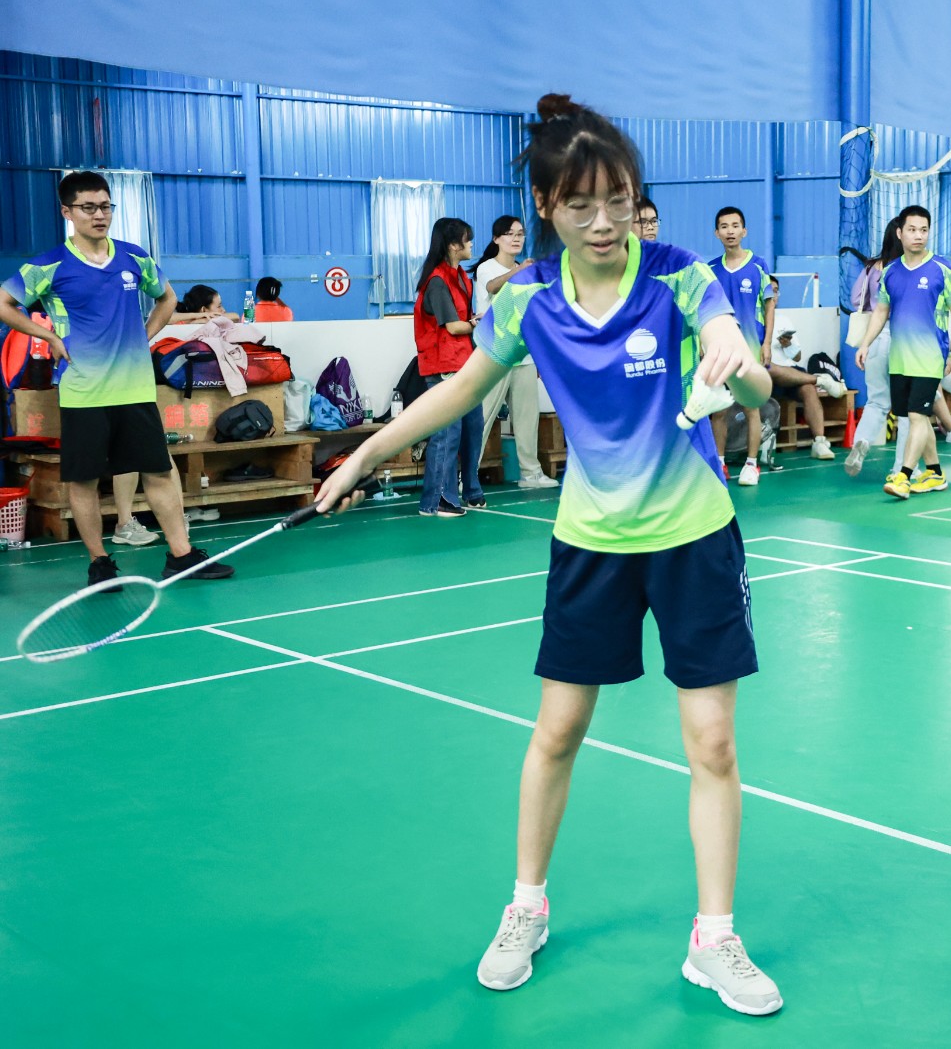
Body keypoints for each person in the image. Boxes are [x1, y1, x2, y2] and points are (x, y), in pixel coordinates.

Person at [315, 93, 781, 1015]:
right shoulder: (527, 298)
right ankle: (526, 906)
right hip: (591, 542)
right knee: (558, 731)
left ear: (637, 197)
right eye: (580, 205)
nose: (604, 223)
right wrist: (367, 453)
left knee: (713, 742)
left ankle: (714, 937)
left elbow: (748, 369)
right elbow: (459, 390)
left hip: (693, 534)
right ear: (546, 206)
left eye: (619, 201)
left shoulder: (682, 277)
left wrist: (738, 356)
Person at [0, 170, 232, 585]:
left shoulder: (133, 257)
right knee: (84, 480)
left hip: (135, 389)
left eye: (106, 206)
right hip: (83, 392)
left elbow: (167, 298)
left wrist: (145, 334)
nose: (99, 215)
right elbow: (4, 303)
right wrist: (47, 335)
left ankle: (181, 555)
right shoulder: (49, 265)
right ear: (67, 212)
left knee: (158, 471)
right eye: (88, 208)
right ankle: (100, 563)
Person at [710, 206, 834, 484]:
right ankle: (720, 463)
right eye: (724, 226)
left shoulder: (758, 266)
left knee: (751, 407)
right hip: (722, 349)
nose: (730, 231)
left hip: (750, 349)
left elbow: (769, 307)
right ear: (717, 233)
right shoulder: (711, 270)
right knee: (719, 410)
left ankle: (751, 464)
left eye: (735, 226)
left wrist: (766, 343)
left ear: (744, 231)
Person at [854, 206, 951, 499]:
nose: (919, 236)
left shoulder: (942, 269)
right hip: (899, 358)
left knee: (916, 416)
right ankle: (935, 473)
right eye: (912, 230)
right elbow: (881, 311)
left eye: (924, 230)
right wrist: (865, 343)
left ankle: (904, 476)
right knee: (917, 417)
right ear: (900, 233)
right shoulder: (890, 272)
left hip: (930, 357)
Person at [472, 215, 559, 490]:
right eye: (510, 233)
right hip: (495, 354)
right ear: (496, 239)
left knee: (526, 418)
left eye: (520, 233)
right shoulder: (487, 268)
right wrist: (520, 271)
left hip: (524, 354)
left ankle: (530, 473)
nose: (516, 238)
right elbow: (493, 287)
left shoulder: (526, 271)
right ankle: (466, 476)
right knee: (483, 417)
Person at [413, 217, 486, 517]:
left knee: (473, 427)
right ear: (454, 245)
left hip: (465, 364)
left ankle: (471, 490)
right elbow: (455, 327)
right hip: (443, 366)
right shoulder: (437, 282)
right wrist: (477, 323)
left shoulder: (463, 278)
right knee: (447, 434)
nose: (471, 244)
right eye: (467, 239)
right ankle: (438, 499)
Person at [844, 216, 904, 477]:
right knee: (907, 408)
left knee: (877, 401)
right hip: (903, 339)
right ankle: (903, 468)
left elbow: (856, 298)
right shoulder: (907, 269)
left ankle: (861, 441)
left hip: (875, 339)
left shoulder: (871, 267)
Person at [171, 284, 241, 324]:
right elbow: (168, 318)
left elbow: (236, 317)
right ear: (204, 310)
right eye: (219, 306)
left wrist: (202, 320)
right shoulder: (181, 324)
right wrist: (202, 316)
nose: (223, 310)